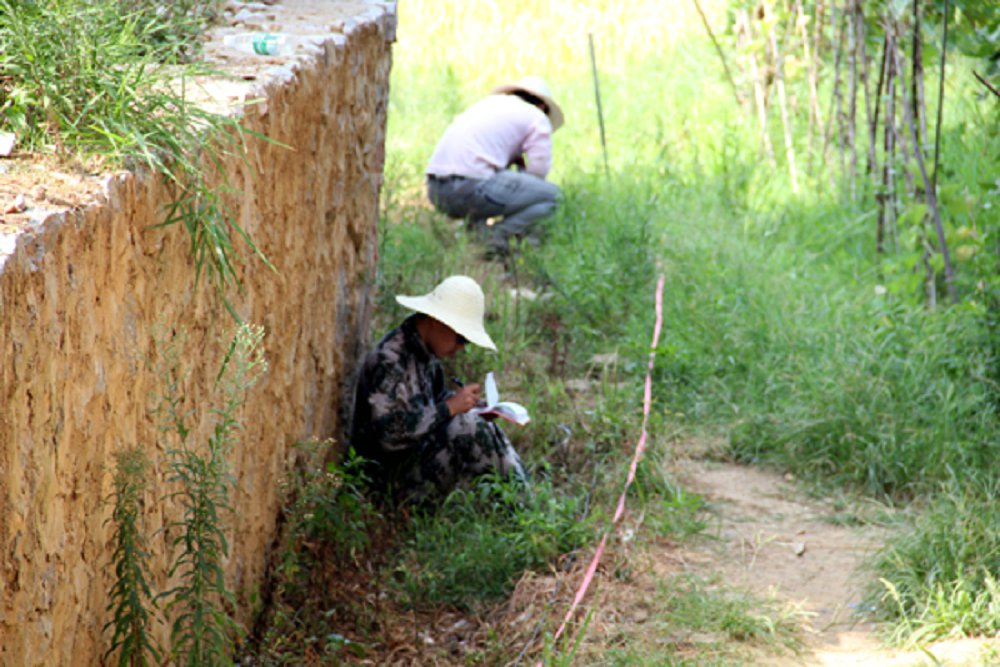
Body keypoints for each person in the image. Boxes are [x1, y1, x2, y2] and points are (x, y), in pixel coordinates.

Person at [351, 275, 528, 505]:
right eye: (460, 337)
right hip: (384, 484)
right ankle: (520, 508)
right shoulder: (391, 361)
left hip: (410, 465)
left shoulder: (424, 353)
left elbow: (431, 403)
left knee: (480, 423)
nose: (461, 347)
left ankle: (523, 503)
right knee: (469, 426)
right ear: (437, 321)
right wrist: (449, 408)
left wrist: (471, 407)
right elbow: (390, 436)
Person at [425, 76, 564, 257]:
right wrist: (523, 172)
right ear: (543, 107)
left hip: (436, 189)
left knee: (490, 182)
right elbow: (539, 171)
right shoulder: (537, 116)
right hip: (470, 186)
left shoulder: (489, 105)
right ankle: (497, 238)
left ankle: (475, 238)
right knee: (553, 197)